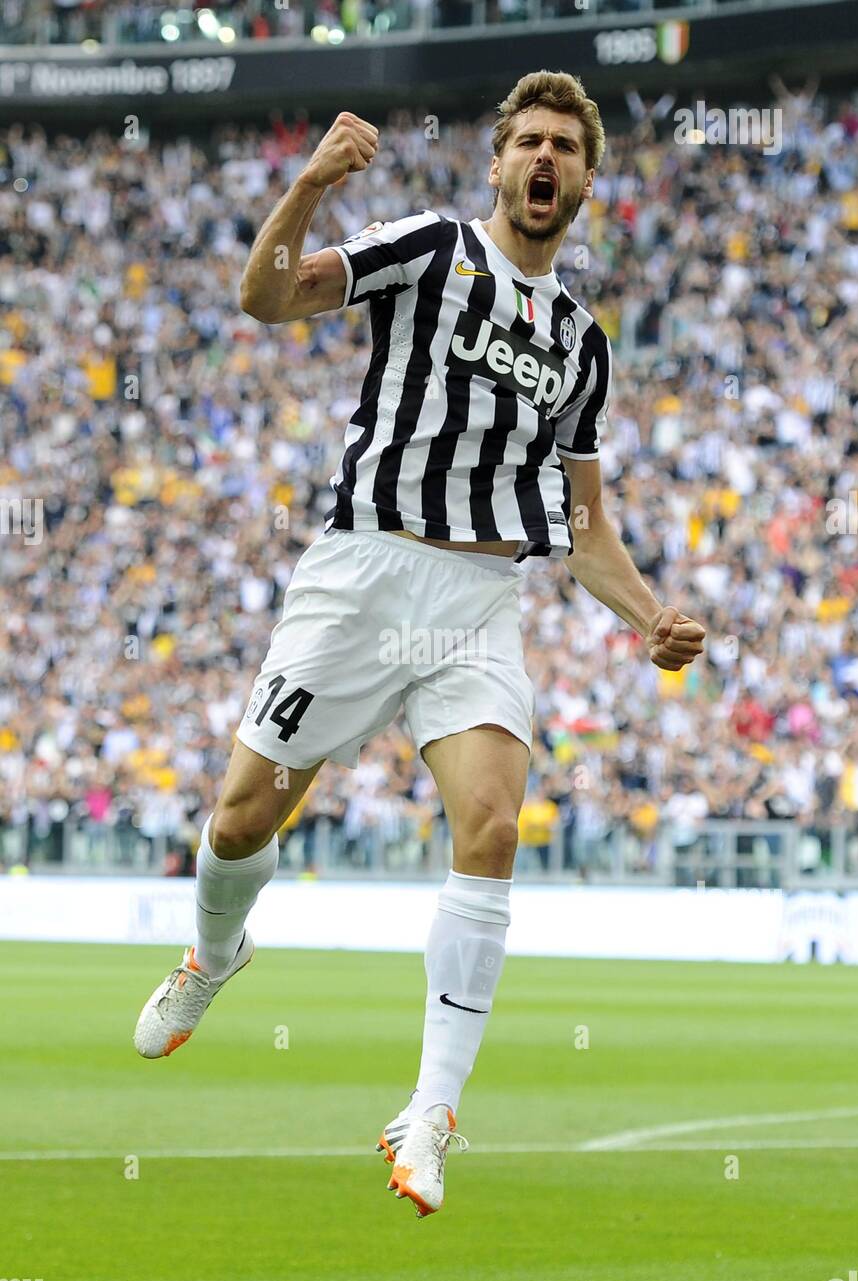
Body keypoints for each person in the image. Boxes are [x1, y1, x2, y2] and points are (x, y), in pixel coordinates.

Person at [133, 70, 706, 1218]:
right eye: (527, 142)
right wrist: (306, 184)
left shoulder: (580, 346)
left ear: (587, 179)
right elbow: (266, 299)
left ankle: (430, 1112)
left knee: (491, 824)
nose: (544, 160)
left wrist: (650, 616)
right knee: (243, 817)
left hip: (480, 598)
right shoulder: (428, 248)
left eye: (565, 148)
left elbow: (584, 527)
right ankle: (213, 954)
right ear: (498, 162)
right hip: (360, 572)